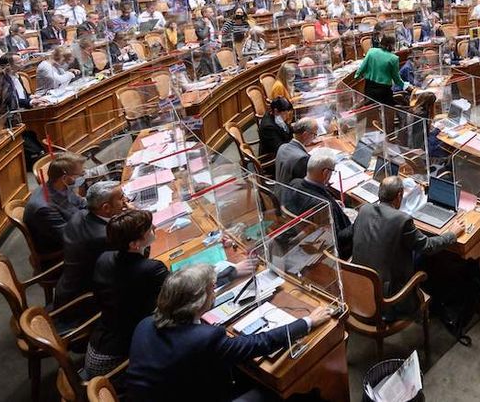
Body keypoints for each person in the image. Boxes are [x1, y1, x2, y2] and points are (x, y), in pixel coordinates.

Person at [121, 264, 330, 402]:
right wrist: (308, 321)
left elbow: (188, 288)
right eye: (212, 288)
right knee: (274, 390)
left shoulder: (145, 324)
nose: (214, 291)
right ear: (201, 301)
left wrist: (231, 273)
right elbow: (258, 343)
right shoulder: (205, 338)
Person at [352, 177, 461, 316]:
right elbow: (427, 246)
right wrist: (452, 234)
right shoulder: (402, 219)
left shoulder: (364, 209)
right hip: (389, 298)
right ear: (399, 195)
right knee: (430, 257)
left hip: (359, 287)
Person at [84, 209, 169, 378]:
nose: (154, 227)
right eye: (149, 229)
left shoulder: (105, 258)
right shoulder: (151, 269)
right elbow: (183, 292)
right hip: (115, 366)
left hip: (98, 347)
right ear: (134, 244)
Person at [53, 180, 127, 307]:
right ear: (106, 208)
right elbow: (133, 257)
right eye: (121, 198)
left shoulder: (81, 214)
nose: (126, 201)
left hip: (67, 286)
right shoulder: (104, 237)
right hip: (84, 301)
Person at [21, 153, 87, 263]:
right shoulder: (44, 209)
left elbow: (81, 203)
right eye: (79, 175)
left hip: (76, 226)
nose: (81, 178)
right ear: (65, 178)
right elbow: (69, 237)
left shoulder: (61, 186)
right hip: (61, 251)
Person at [285, 153, 353, 258]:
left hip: (304, 237)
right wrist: (358, 223)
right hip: (337, 250)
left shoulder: (295, 183)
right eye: (332, 171)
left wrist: (334, 202)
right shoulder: (323, 207)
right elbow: (338, 239)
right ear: (326, 173)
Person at [355, 34, 403, 107]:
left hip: (369, 87)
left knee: (371, 109)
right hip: (384, 91)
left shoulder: (371, 51)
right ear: (391, 45)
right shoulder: (394, 58)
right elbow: (396, 79)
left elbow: (362, 68)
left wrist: (357, 76)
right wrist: (405, 85)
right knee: (387, 111)